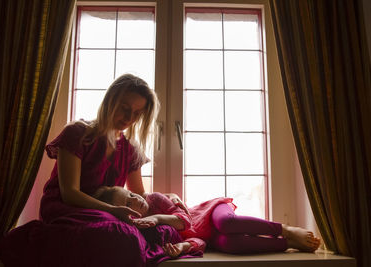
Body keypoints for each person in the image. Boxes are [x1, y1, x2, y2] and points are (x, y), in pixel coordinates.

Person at [40, 73, 187, 224]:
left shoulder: (130, 148)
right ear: (110, 101)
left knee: (153, 226)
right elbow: (70, 194)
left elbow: (139, 194)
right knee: (116, 227)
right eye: (124, 108)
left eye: (137, 113)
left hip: (107, 214)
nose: (129, 118)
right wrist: (111, 210)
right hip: (65, 209)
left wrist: (168, 197)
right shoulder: (77, 133)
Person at [93, 186, 322, 257]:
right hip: (209, 237)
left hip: (210, 213)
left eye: (131, 194)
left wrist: (155, 217)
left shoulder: (153, 201)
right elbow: (197, 242)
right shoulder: (150, 230)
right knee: (231, 245)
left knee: (227, 225)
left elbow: (184, 221)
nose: (135, 199)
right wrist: (181, 248)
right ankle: (287, 244)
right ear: (129, 216)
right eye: (129, 203)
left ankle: (285, 229)